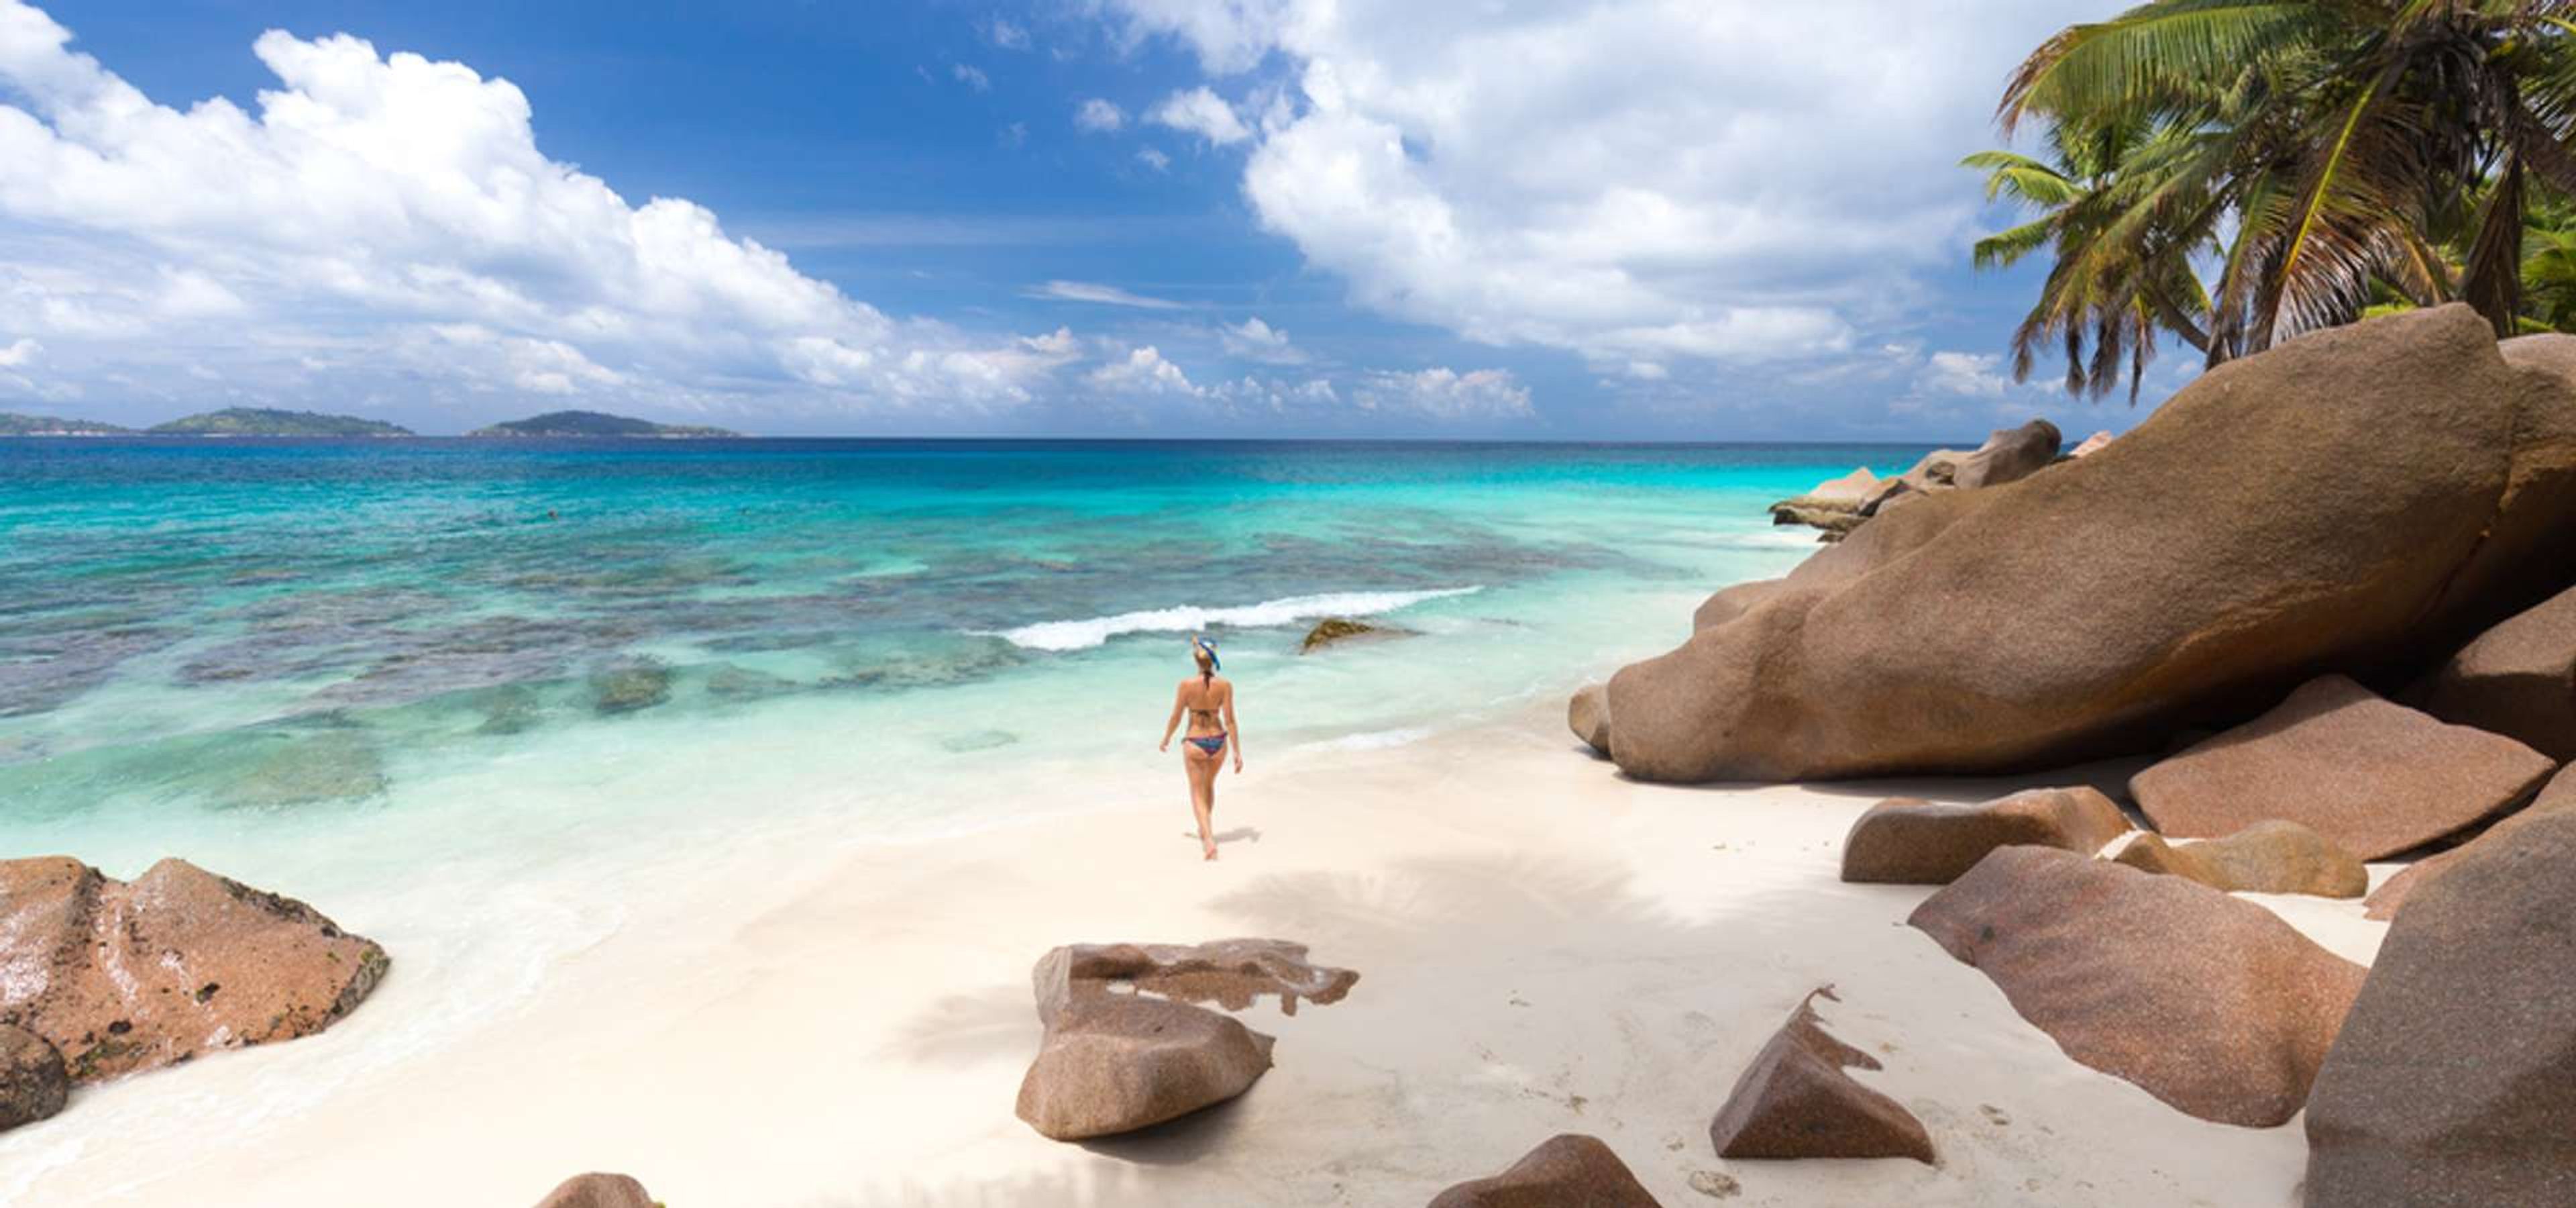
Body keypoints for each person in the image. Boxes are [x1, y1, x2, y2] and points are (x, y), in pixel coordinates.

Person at [1159, 635, 1243, 860]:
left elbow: (1176, 716)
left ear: (1196, 660)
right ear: (1214, 659)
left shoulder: (1186, 685)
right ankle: (1206, 830)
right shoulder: (1225, 685)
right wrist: (1237, 752)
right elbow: (1231, 720)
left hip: (1195, 742)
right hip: (1219, 742)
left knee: (1197, 793)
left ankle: (1208, 840)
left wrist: (1167, 737)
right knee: (1208, 786)